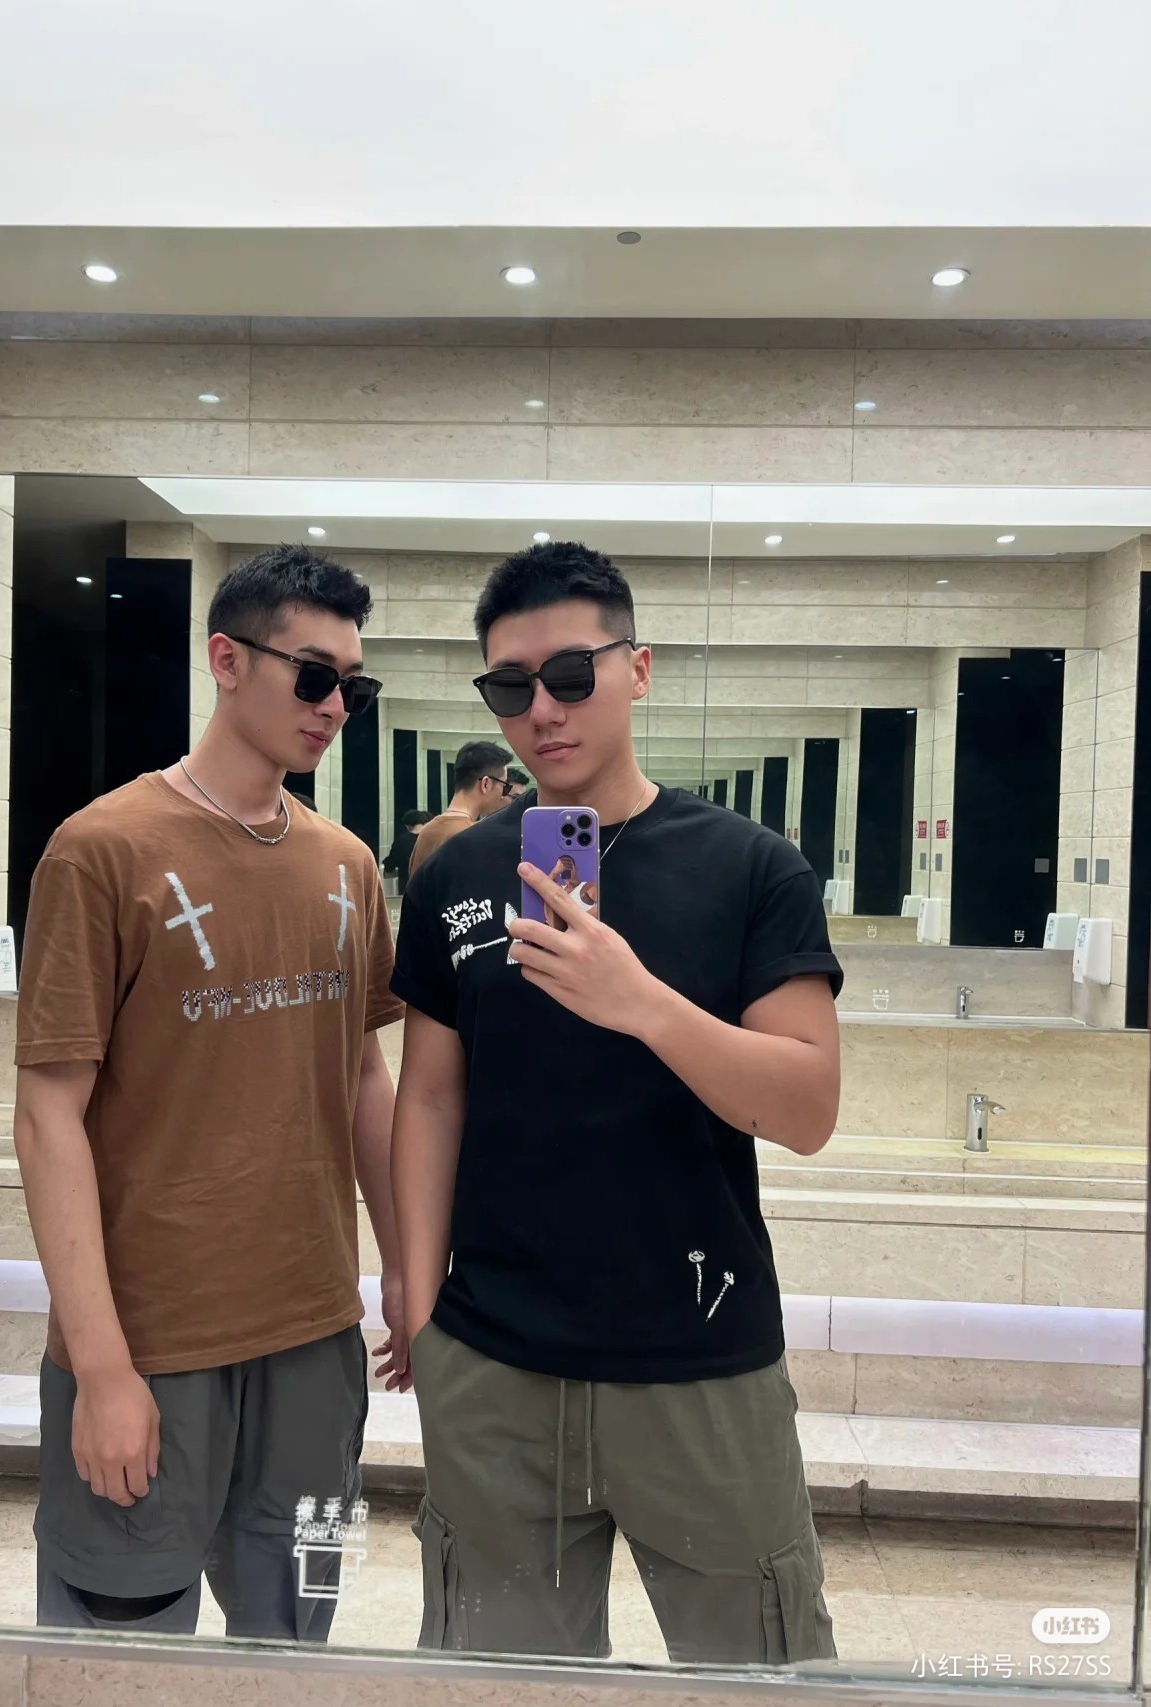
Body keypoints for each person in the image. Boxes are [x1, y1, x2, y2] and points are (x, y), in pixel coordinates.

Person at [390, 541, 843, 1665]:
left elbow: (806, 1106)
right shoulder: (456, 875)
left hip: (701, 1360)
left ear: (637, 669)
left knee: (761, 1674)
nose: (541, 710)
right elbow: (431, 1098)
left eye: (570, 674)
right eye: (510, 686)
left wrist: (639, 1002)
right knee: (498, 1683)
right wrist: (418, 1304)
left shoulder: (750, 866)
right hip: (493, 1364)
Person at [13, 543, 406, 1641]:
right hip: (152, 1341)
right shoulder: (101, 851)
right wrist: (101, 1366)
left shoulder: (346, 864)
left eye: (355, 685)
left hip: (315, 1343)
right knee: (120, 1643)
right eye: (314, 676)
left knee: (297, 1628)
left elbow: (363, 1077)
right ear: (226, 661)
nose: (335, 707)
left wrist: (409, 1272)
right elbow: (47, 1116)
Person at [407, 738, 513, 880]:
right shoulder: (474, 837)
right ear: (486, 784)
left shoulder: (426, 833)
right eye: (504, 786)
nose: (503, 795)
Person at [383, 809, 432, 886]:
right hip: (430, 886)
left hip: (408, 886)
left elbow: (389, 867)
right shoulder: (433, 838)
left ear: (408, 826)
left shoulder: (401, 841)